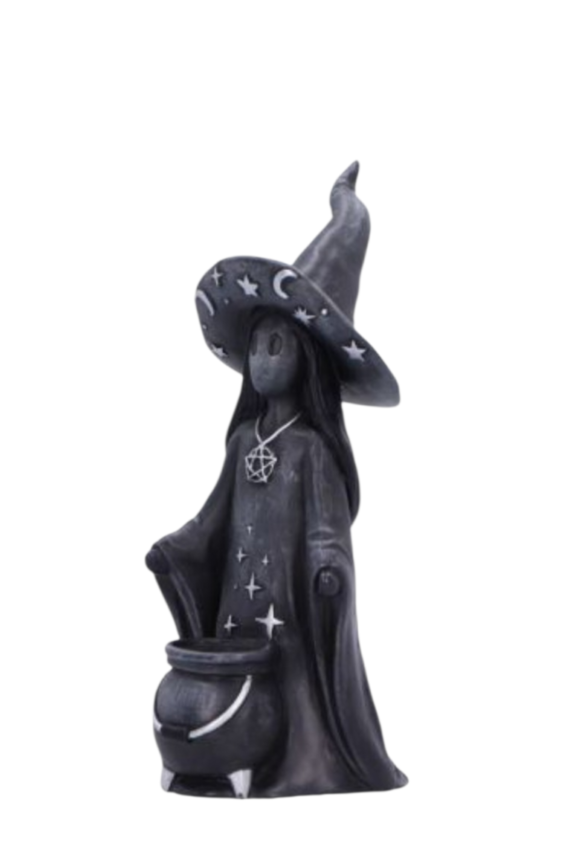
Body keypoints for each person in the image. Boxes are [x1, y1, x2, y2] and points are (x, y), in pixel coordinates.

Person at [146, 162, 407, 797]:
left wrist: (328, 570)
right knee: (232, 673)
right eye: (258, 344)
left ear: (308, 359)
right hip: (239, 610)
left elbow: (327, 530)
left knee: (288, 679)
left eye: (278, 346)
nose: (262, 360)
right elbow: (215, 515)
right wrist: (179, 547)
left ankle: (292, 753)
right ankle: (220, 747)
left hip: (293, 608)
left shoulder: (313, 451)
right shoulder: (243, 442)